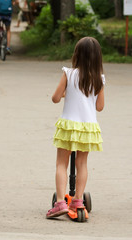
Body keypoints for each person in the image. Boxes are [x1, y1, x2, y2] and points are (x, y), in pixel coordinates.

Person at [46, 37, 105, 219]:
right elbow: (100, 106)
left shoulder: (69, 73)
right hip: (88, 127)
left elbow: (55, 98)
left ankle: (60, 203)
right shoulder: (99, 79)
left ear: (76, 55)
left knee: (61, 163)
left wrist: (66, 93)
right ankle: (78, 199)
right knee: (82, 163)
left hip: (69, 124)